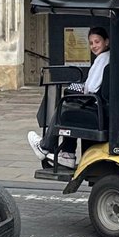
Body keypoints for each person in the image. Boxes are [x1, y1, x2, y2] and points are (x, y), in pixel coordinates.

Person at [27, 26, 109, 169]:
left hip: (97, 106)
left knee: (65, 107)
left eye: (97, 42)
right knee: (70, 103)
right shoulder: (107, 57)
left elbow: (92, 87)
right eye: (91, 43)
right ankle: (66, 153)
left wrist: (80, 89)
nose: (94, 46)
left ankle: (46, 146)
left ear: (106, 42)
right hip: (100, 104)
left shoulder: (103, 58)